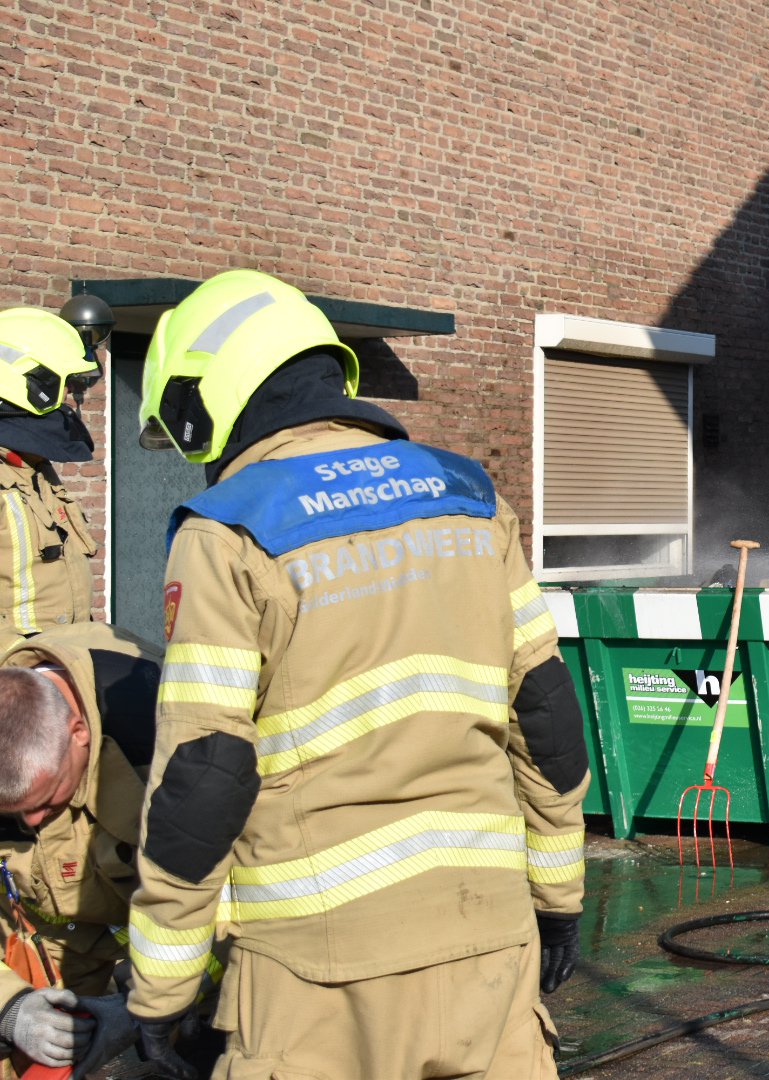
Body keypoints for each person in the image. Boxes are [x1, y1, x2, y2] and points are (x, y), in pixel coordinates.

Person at [120, 268, 590, 1079]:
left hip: (319, 973)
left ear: (214, 396)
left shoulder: (229, 532)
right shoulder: (469, 498)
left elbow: (204, 777)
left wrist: (160, 992)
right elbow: (546, 720)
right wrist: (559, 901)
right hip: (490, 938)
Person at [0, 622, 161, 1077]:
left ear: (79, 732)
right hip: (44, 934)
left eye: (45, 801)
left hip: (171, 933)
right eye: (13, 813)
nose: (30, 823)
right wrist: (9, 1006)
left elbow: (237, 905)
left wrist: (147, 1007)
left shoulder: (165, 732)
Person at [0, 308, 103, 649]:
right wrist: (24, 669)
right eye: (65, 386)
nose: (69, 401)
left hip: (57, 671)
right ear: (28, 383)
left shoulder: (35, 471)